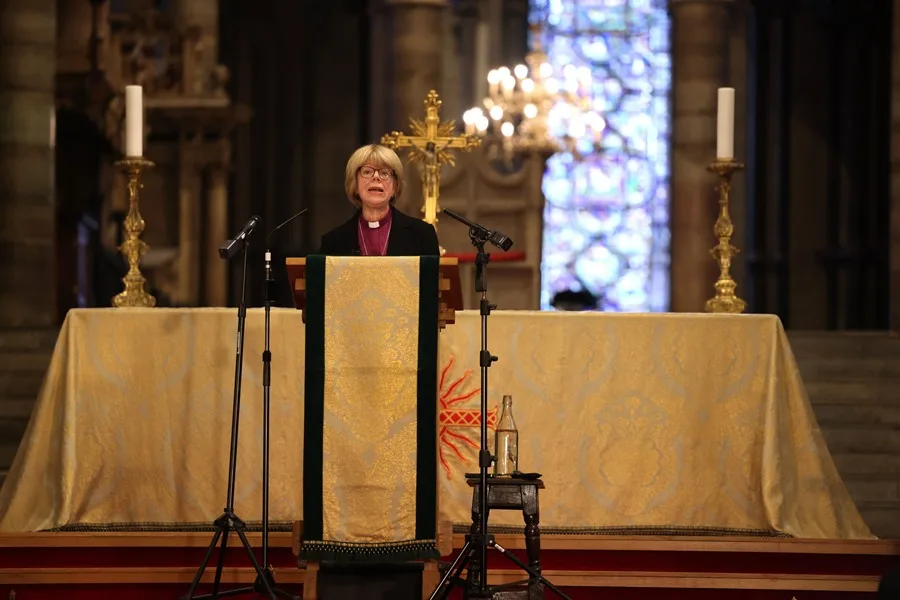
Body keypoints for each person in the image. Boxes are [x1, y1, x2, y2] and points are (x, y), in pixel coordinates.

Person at [317, 143, 440, 256]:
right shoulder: (333, 242)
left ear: (395, 187)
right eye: (367, 172)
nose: (376, 177)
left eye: (384, 173)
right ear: (355, 185)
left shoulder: (422, 235)